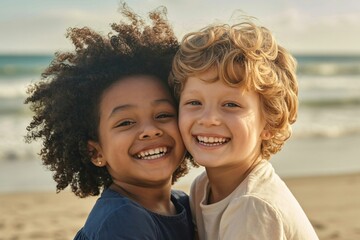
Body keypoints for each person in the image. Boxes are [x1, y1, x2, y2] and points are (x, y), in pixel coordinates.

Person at [25, 4, 195, 240]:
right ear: (96, 152)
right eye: (125, 122)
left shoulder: (185, 203)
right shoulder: (122, 220)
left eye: (163, 115)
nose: (149, 130)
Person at [169, 20, 319, 239]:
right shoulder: (203, 186)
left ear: (269, 123)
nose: (209, 119)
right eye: (194, 103)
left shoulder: (253, 206)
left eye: (231, 105)